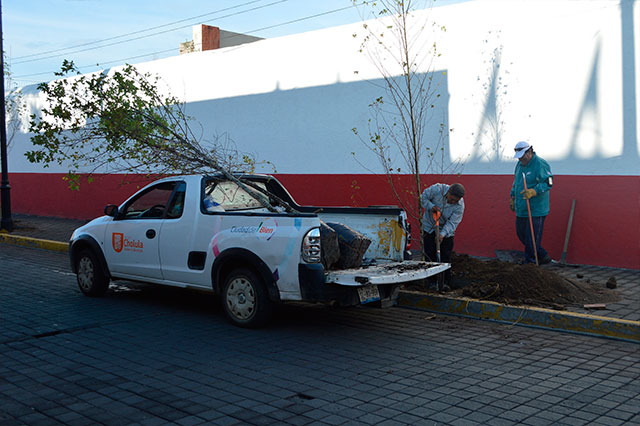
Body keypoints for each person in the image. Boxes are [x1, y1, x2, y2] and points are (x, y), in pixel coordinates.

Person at [510, 141, 553, 264]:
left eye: (523, 157)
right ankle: (543, 255)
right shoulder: (519, 165)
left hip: (536, 208)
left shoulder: (540, 164)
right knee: (521, 234)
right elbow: (516, 182)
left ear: (530, 152)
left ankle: (530, 262)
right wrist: (512, 196)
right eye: (519, 157)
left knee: (532, 238)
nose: (521, 160)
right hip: (522, 207)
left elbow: (548, 183)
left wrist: (534, 191)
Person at [420, 183, 465, 290]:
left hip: (446, 231)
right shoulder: (437, 189)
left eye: (455, 201)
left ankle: (444, 282)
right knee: (430, 254)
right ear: (448, 192)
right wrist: (431, 207)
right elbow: (423, 198)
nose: (452, 202)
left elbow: (452, 223)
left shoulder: (460, 206)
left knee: (445, 256)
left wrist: (442, 234)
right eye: (451, 199)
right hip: (429, 227)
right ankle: (431, 281)